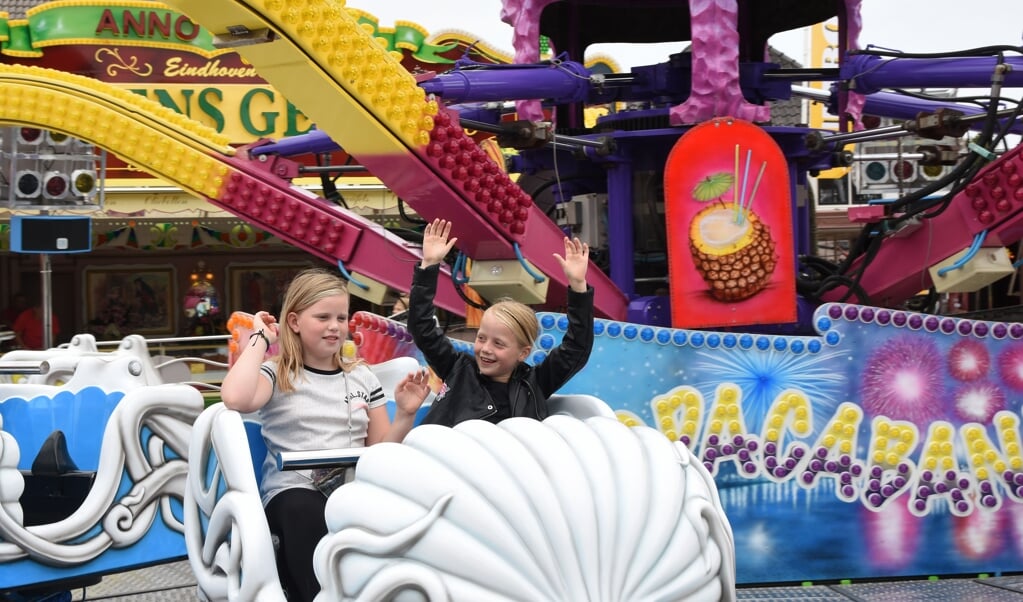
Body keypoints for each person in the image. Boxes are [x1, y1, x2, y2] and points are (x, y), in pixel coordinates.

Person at [220, 268, 430, 602]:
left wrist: (405, 414)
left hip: (350, 489)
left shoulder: (362, 377)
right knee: (306, 512)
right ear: (294, 322)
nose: (335, 326)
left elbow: (378, 454)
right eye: (322, 317)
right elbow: (235, 398)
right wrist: (261, 340)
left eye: (341, 317)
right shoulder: (279, 374)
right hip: (294, 491)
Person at [409, 218, 594, 427]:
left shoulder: (534, 384)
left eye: (498, 344)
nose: (486, 349)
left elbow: (577, 348)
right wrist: (429, 265)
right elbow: (421, 327)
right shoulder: (458, 368)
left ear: (523, 353)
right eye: (481, 338)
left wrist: (578, 285)